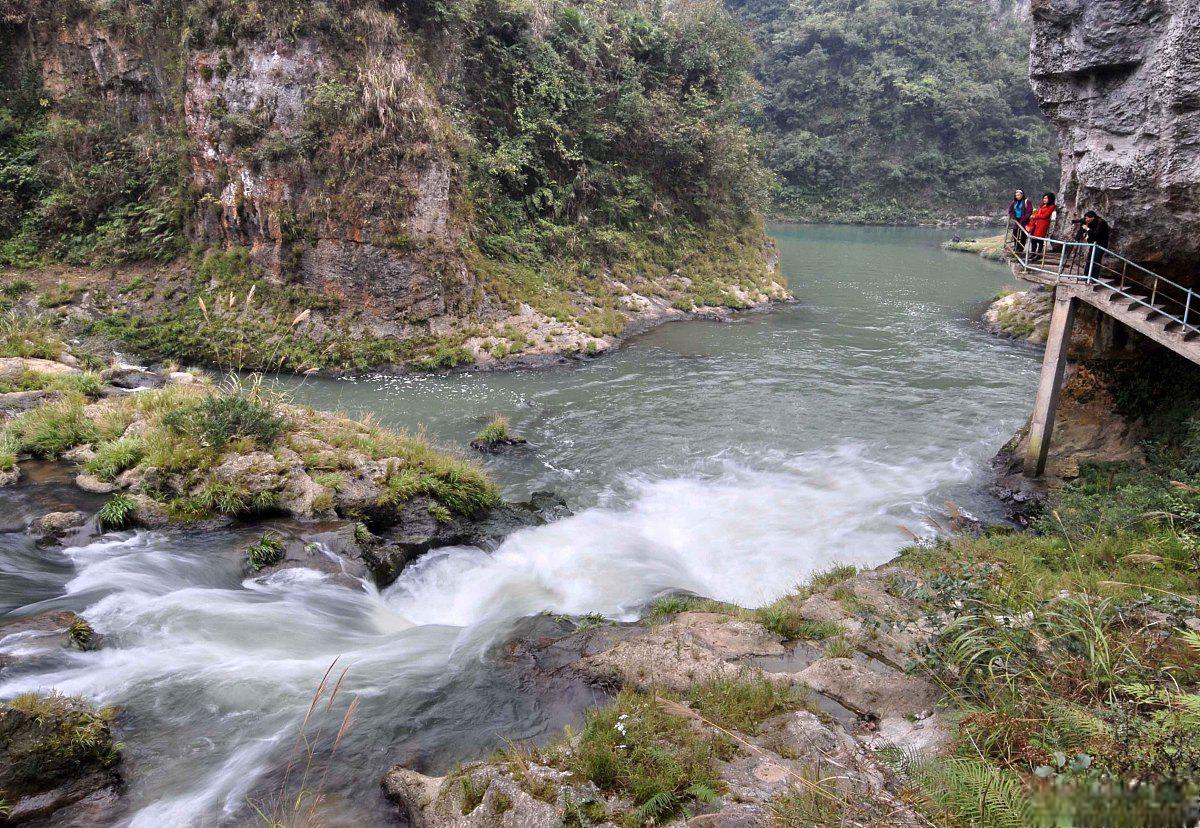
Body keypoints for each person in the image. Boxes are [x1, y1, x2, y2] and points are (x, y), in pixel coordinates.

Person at [1025, 192, 1057, 259]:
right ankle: (1033, 253)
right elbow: (1040, 213)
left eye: (1046, 198)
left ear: (1050, 199)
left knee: (1040, 240)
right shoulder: (1042, 205)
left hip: (1043, 225)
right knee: (1033, 239)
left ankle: (1038, 255)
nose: (1044, 199)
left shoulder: (1051, 206)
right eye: (1044, 198)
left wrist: (1035, 216)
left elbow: (1046, 215)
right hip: (1036, 224)